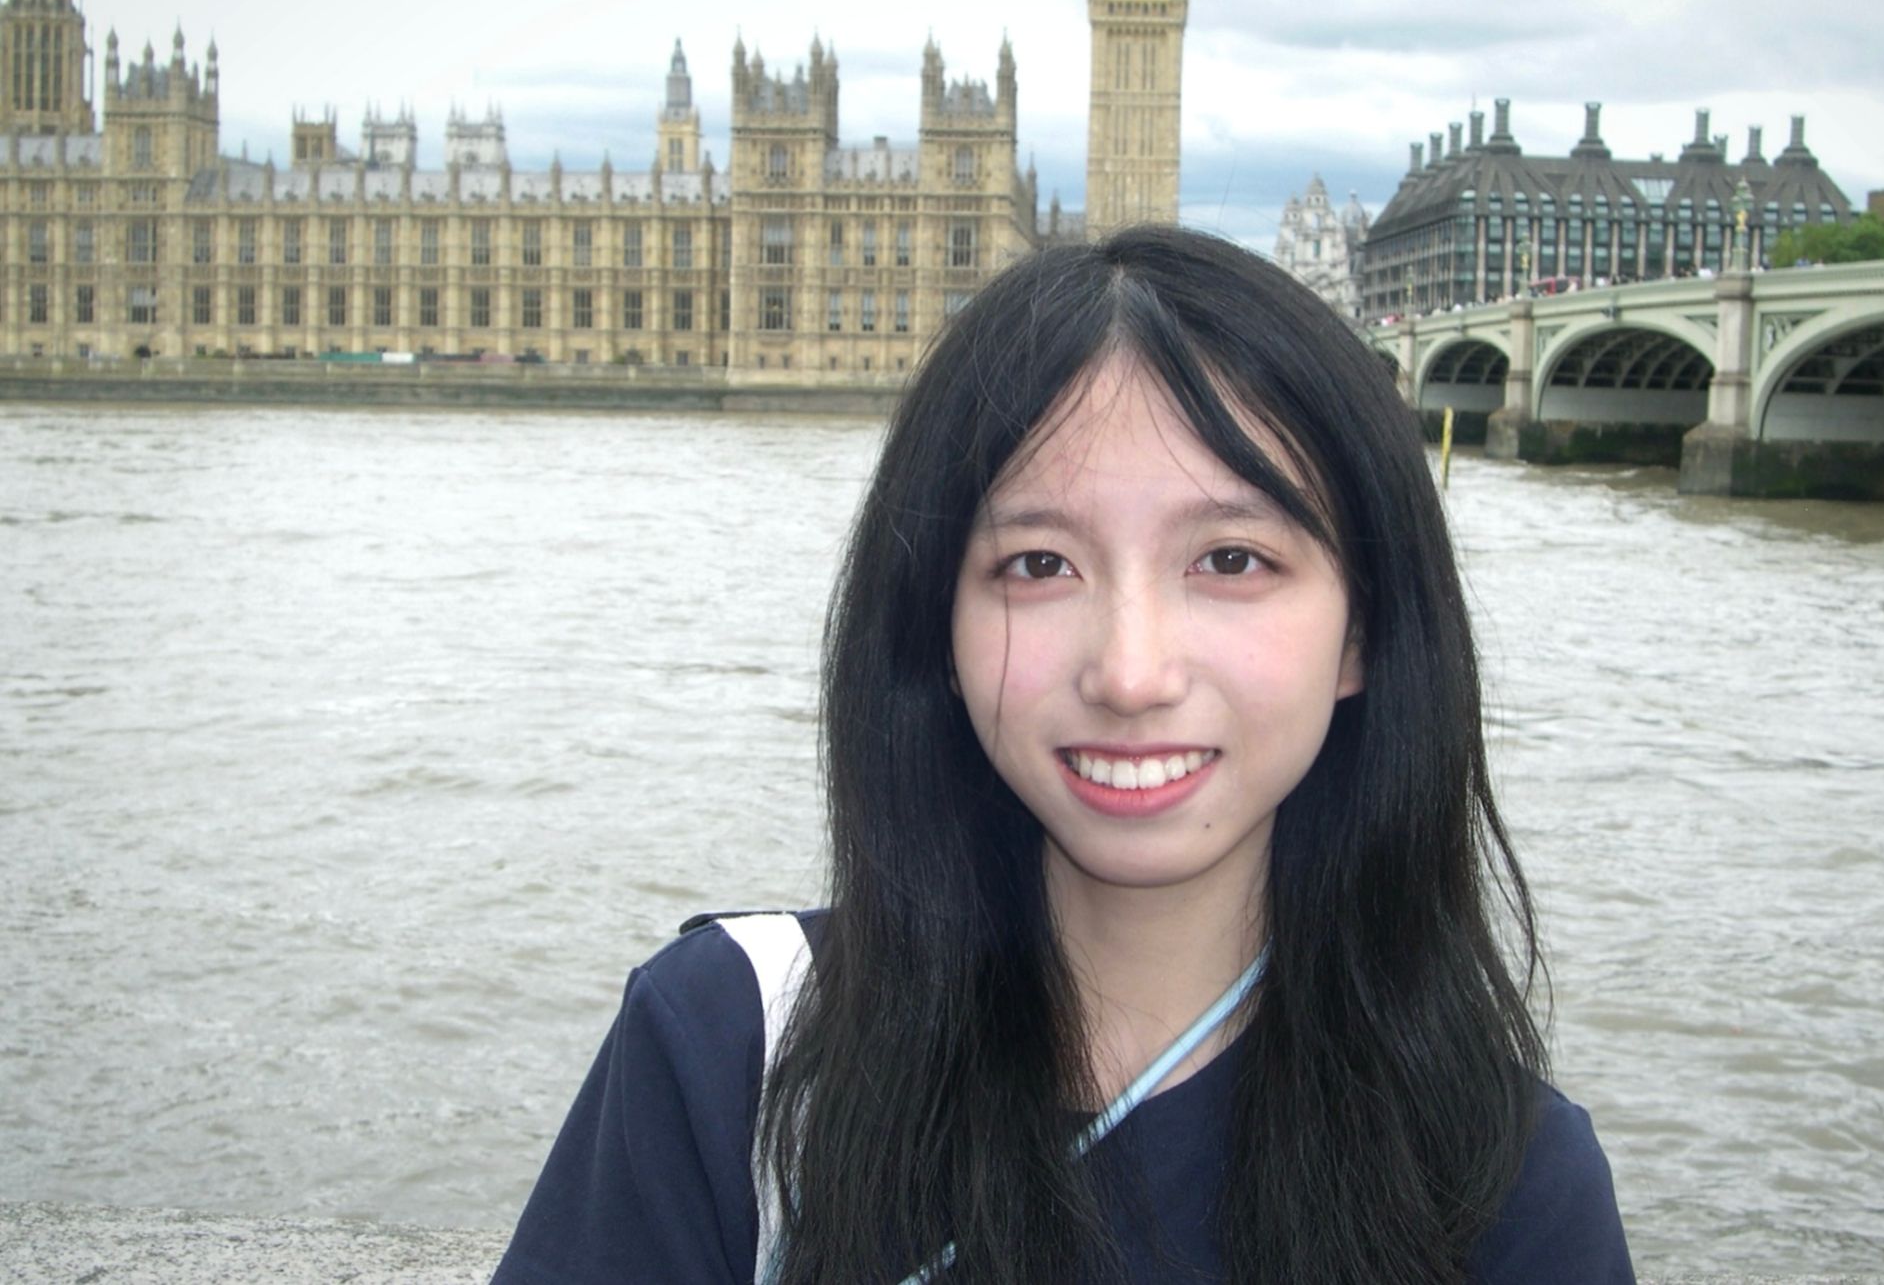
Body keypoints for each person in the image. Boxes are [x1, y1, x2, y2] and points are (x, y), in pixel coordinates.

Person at [492, 227, 1634, 1285]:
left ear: (1363, 632)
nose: (1130, 674)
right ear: (935, 628)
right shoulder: (729, 1053)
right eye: (1037, 565)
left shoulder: (1508, 1186)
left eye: (1231, 560)